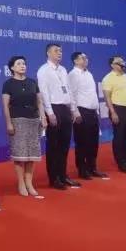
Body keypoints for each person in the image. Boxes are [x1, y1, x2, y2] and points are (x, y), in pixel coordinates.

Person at [2, 56, 47, 197]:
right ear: (12, 68)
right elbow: (5, 106)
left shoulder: (32, 82)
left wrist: (43, 117)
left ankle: (29, 183)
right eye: (19, 63)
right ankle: (21, 183)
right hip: (17, 121)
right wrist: (9, 123)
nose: (22, 66)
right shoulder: (8, 84)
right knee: (20, 155)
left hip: (33, 121)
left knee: (32, 154)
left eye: (24, 63)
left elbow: (39, 102)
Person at [37, 43, 81, 190]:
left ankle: (63, 175)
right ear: (48, 53)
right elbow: (43, 93)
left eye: (61, 51)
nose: (59, 53)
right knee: (53, 146)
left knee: (64, 145)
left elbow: (68, 90)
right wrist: (49, 112)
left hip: (65, 108)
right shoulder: (43, 70)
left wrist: (73, 109)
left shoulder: (63, 70)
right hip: (53, 108)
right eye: (56, 51)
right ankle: (54, 178)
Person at [68, 52, 108, 179]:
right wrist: (75, 112)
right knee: (82, 142)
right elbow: (71, 94)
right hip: (81, 111)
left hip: (92, 111)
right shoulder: (73, 75)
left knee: (93, 142)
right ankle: (82, 169)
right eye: (82, 58)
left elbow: (92, 94)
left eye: (86, 58)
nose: (86, 60)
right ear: (75, 61)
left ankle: (92, 167)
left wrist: (96, 111)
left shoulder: (89, 74)